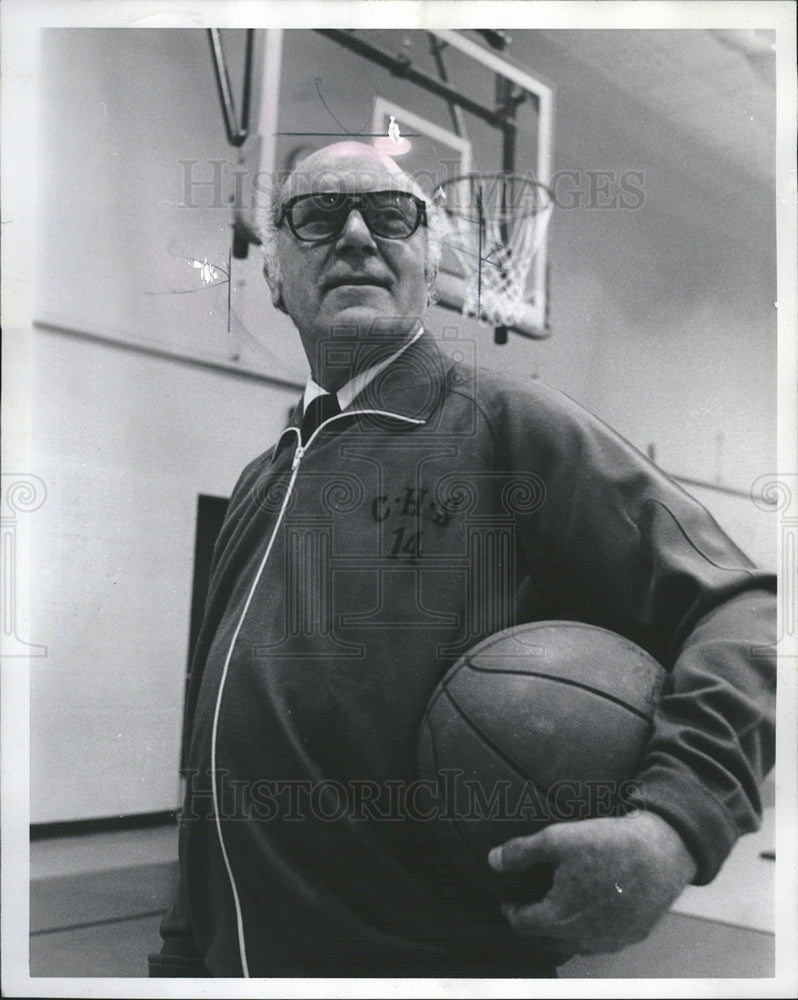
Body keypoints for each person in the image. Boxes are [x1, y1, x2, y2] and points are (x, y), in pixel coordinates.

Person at [150, 142, 776, 978]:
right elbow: (212, 750)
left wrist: (674, 822)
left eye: (393, 213)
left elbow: (743, 607)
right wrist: (180, 953)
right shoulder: (261, 481)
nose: (359, 235)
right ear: (272, 274)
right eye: (318, 214)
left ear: (429, 260)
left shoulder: (510, 424)